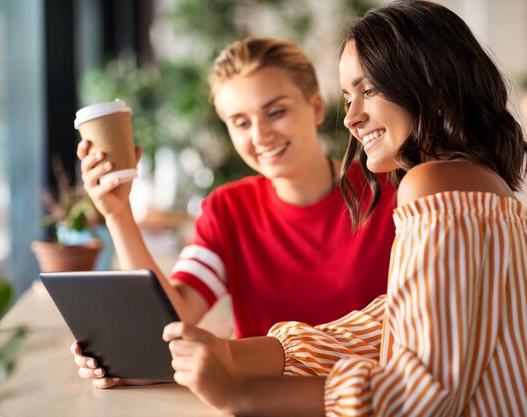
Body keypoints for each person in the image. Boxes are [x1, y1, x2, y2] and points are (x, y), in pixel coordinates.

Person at [159, 2, 527, 416]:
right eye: (348, 95)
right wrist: (224, 355)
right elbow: (383, 327)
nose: (351, 118)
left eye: (370, 90)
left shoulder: (431, 185)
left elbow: (423, 390)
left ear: (430, 85)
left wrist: (241, 395)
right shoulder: (474, 188)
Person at [72, 38, 397, 388]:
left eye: (276, 112)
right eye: (241, 123)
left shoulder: (391, 192)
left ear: (316, 107)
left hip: (361, 402)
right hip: (253, 404)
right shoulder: (228, 209)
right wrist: (118, 213)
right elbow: (174, 315)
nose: (261, 135)